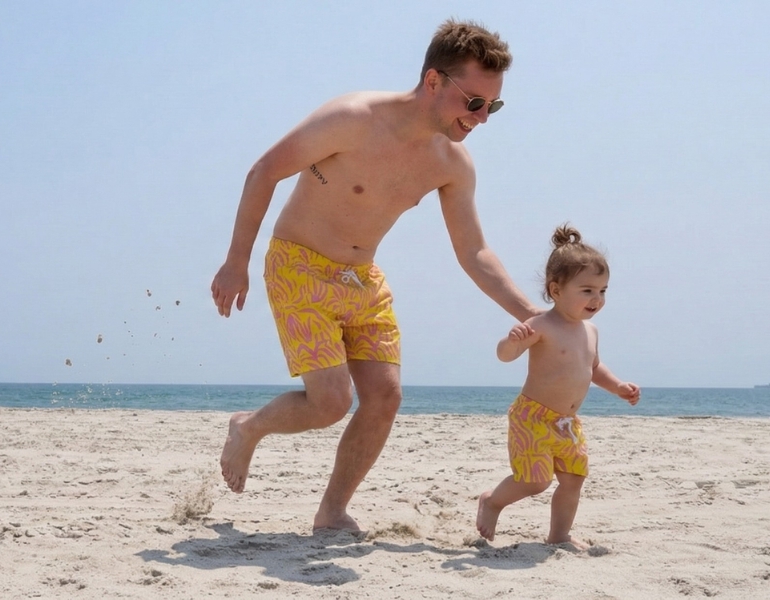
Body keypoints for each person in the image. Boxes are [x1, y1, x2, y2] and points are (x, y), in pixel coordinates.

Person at [210, 19, 541, 533]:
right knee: (330, 403)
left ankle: (332, 513)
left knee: (385, 395)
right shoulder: (352, 118)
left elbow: (474, 251)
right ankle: (248, 428)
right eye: (473, 102)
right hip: (298, 264)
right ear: (433, 81)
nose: (482, 118)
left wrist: (534, 315)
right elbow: (264, 171)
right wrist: (237, 261)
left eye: (491, 106)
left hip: (362, 278)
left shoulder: (453, 164)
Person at [474, 224, 641, 548]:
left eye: (603, 290)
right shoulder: (541, 325)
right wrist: (511, 342)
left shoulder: (590, 331)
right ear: (556, 290)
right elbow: (504, 356)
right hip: (532, 418)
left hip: (568, 423)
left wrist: (618, 386)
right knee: (534, 482)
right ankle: (492, 501)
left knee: (573, 479)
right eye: (587, 290)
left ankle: (559, 535)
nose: (597, 298)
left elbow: (592, 368)